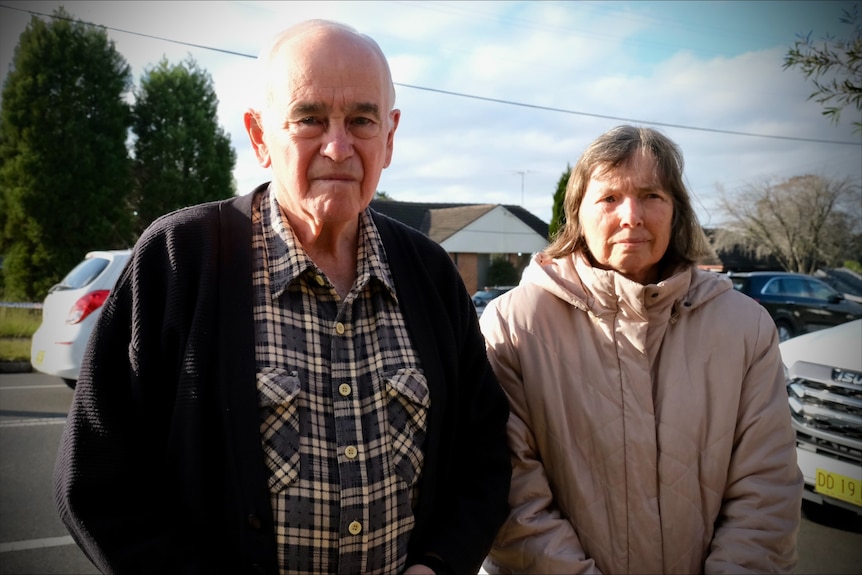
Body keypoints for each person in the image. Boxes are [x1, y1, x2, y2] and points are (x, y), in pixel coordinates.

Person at [54, 19, 511, 575]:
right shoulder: (180, 260)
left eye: (361, 120)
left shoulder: (431, 274)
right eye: (309, 118)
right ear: (259, 135)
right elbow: (98, 480)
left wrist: (439, 564)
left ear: (389, 137)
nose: (338, 147)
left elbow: (482, 452)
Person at [480, 125, 803, 574]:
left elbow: (766, 491)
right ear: (578, 212)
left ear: (676, 211)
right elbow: (509, 495)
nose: (632, 215)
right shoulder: (513, 325)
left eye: (652, 195)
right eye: (609, 198)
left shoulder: (745, 328)